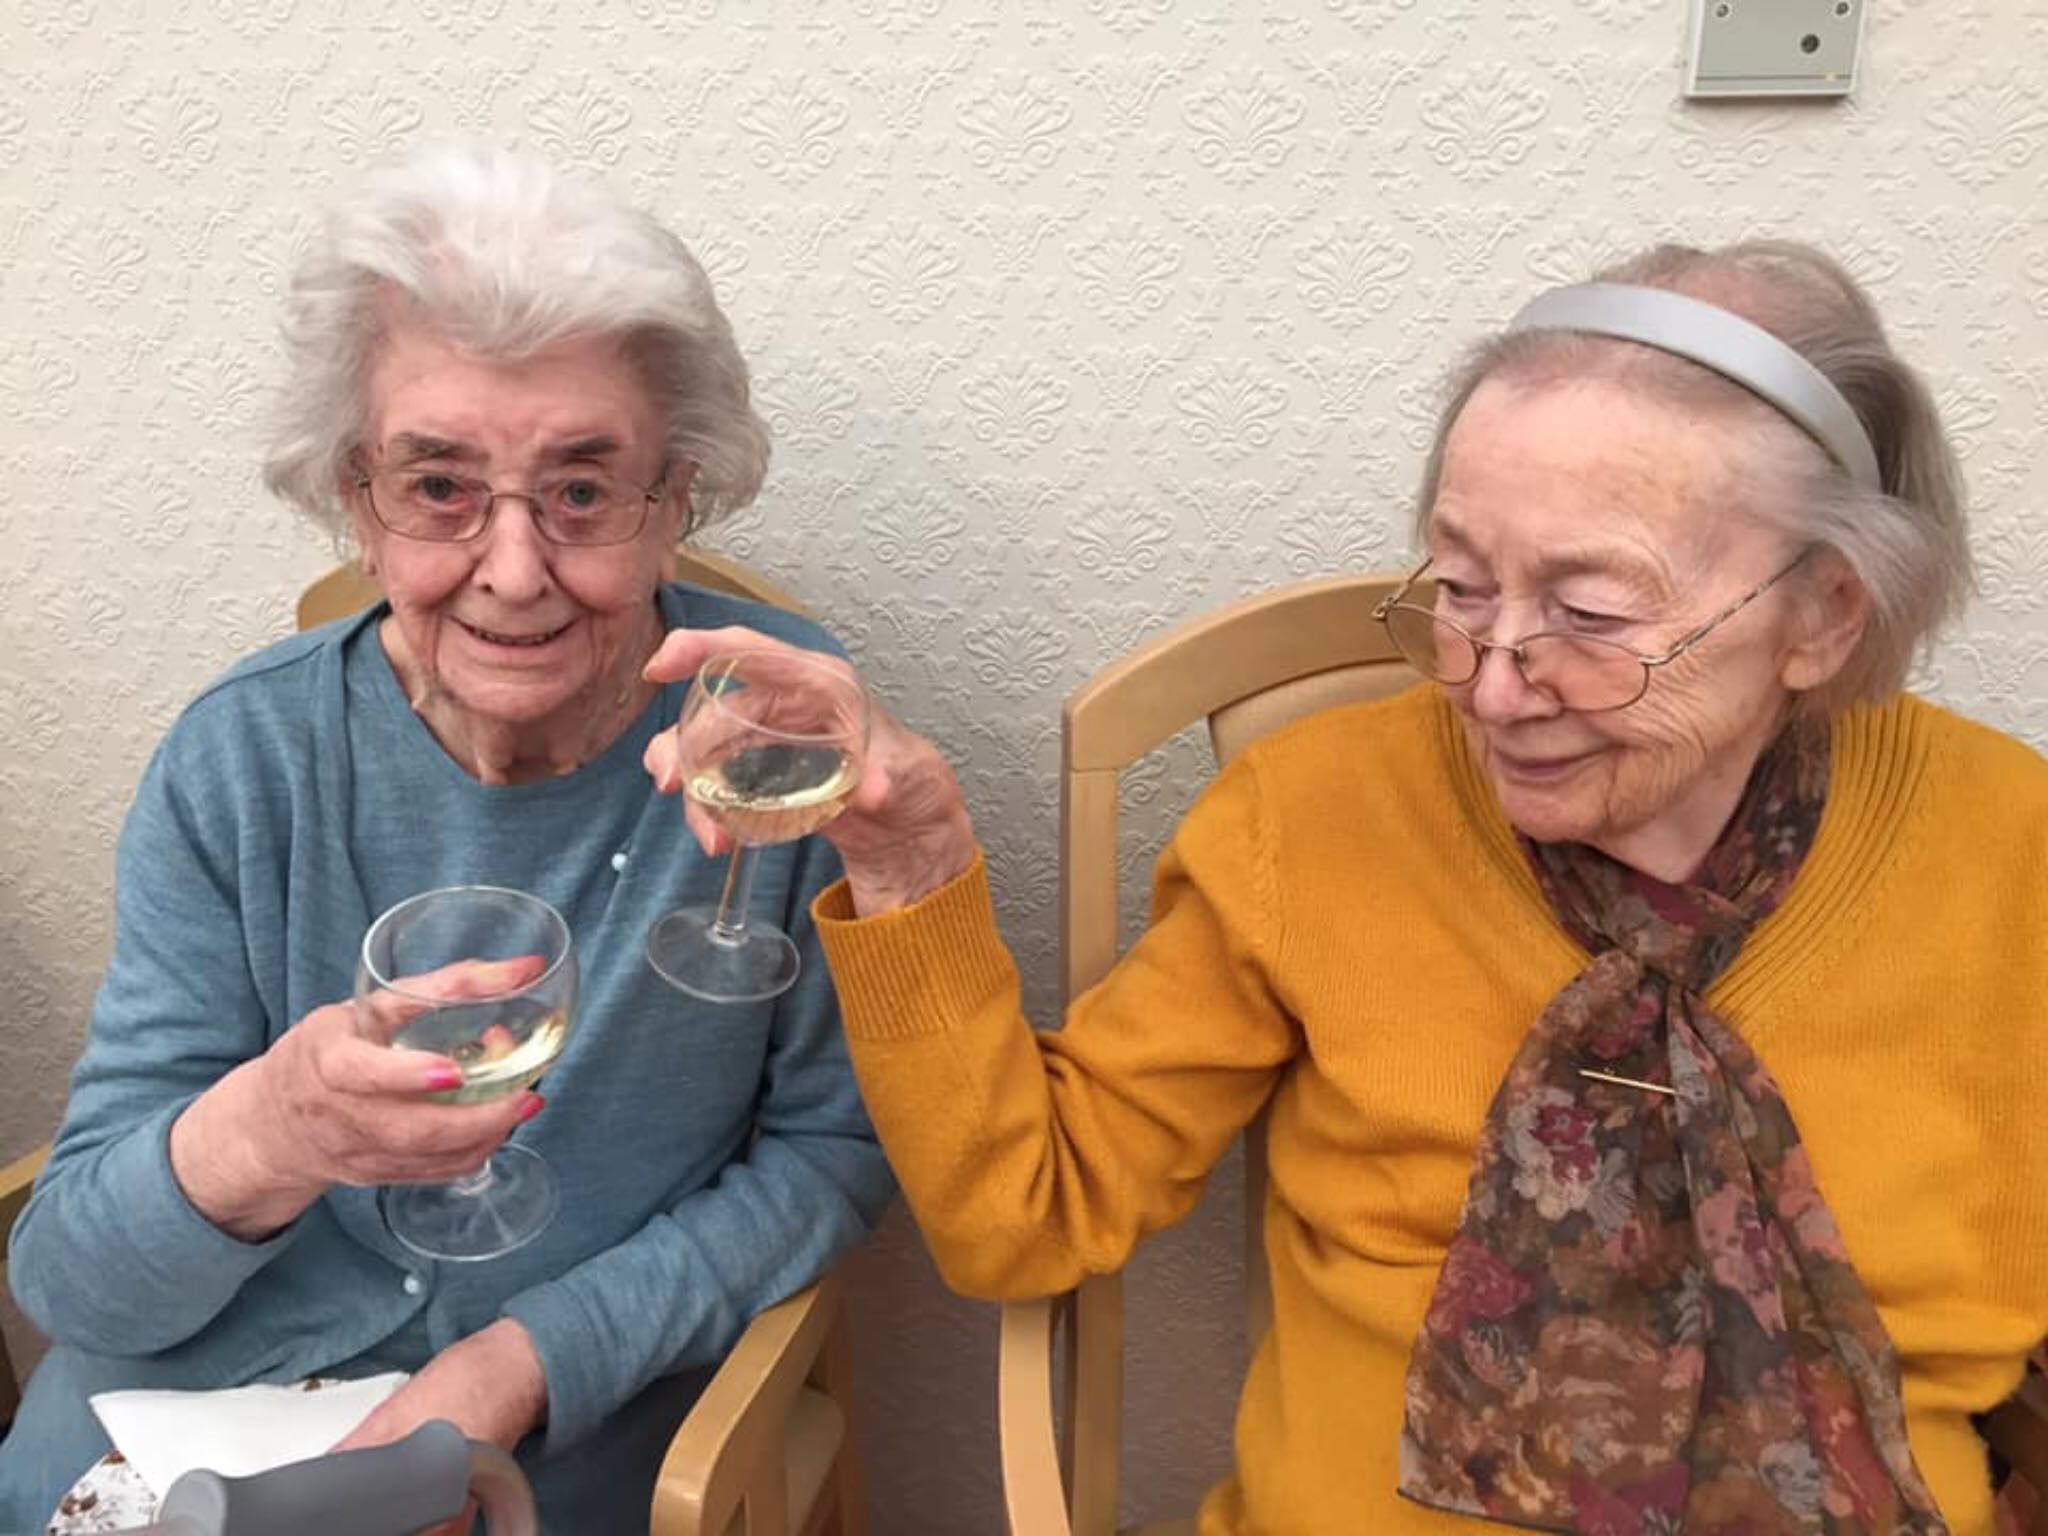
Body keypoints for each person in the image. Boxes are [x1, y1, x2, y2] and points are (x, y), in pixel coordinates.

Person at [647, 242, 2048, 1534]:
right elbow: (1030, 1214)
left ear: (1824, 615)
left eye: (1591, 616)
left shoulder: (2008, 851)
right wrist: (909, 866)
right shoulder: (1315, 819)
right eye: (1457, 586)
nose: (1493, 684)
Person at [1, 139, 893, 1534]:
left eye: (586, 491)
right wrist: (274, 1129)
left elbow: (833, 1151)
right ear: (354, 500)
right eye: (440, 487)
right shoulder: (242, 759)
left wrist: (522, 1365)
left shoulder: (776, 735)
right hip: (193, 1413)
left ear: (679, 503)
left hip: (581, 1410)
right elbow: (75, 1288)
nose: (517, 569)